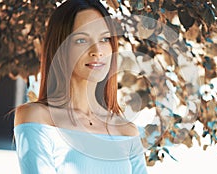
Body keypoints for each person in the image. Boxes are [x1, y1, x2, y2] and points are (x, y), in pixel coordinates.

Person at [13, 0, 148, 173]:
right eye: (82, 40)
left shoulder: (126, 131)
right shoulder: (37, 117)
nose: (97, 50)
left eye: (105, 39)